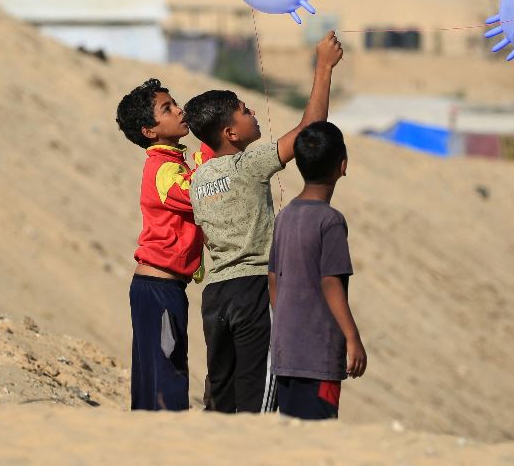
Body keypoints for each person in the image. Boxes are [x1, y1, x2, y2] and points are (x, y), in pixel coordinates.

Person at [185, 30, 343, 413]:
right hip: (254, 289)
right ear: (231, 133)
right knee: (258, 396)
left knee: (221, 392)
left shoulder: (198, 178)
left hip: (215, 297)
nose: (253, 112)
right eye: (244, 110)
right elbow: (309, 132)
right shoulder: (247, 164)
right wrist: (323, 68)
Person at [115, 78, 204, 411]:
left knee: (157, 374)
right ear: (149, 130)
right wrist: (211, 154)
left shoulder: (173, 162)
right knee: (167, 375)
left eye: (174, 103)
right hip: (158, 287)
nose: (180, 110)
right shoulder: (163, 168)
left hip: (162, 287)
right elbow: (197, 194)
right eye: (167, 109)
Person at [268, 121, 366, 420]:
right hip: (318, 353)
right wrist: (353, 337)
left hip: (285, 351)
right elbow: (331, 282)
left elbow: (273, 278)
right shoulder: (330, 221)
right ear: (343, 165)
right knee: (317, 429)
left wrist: (286, 320)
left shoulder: (285, 216)